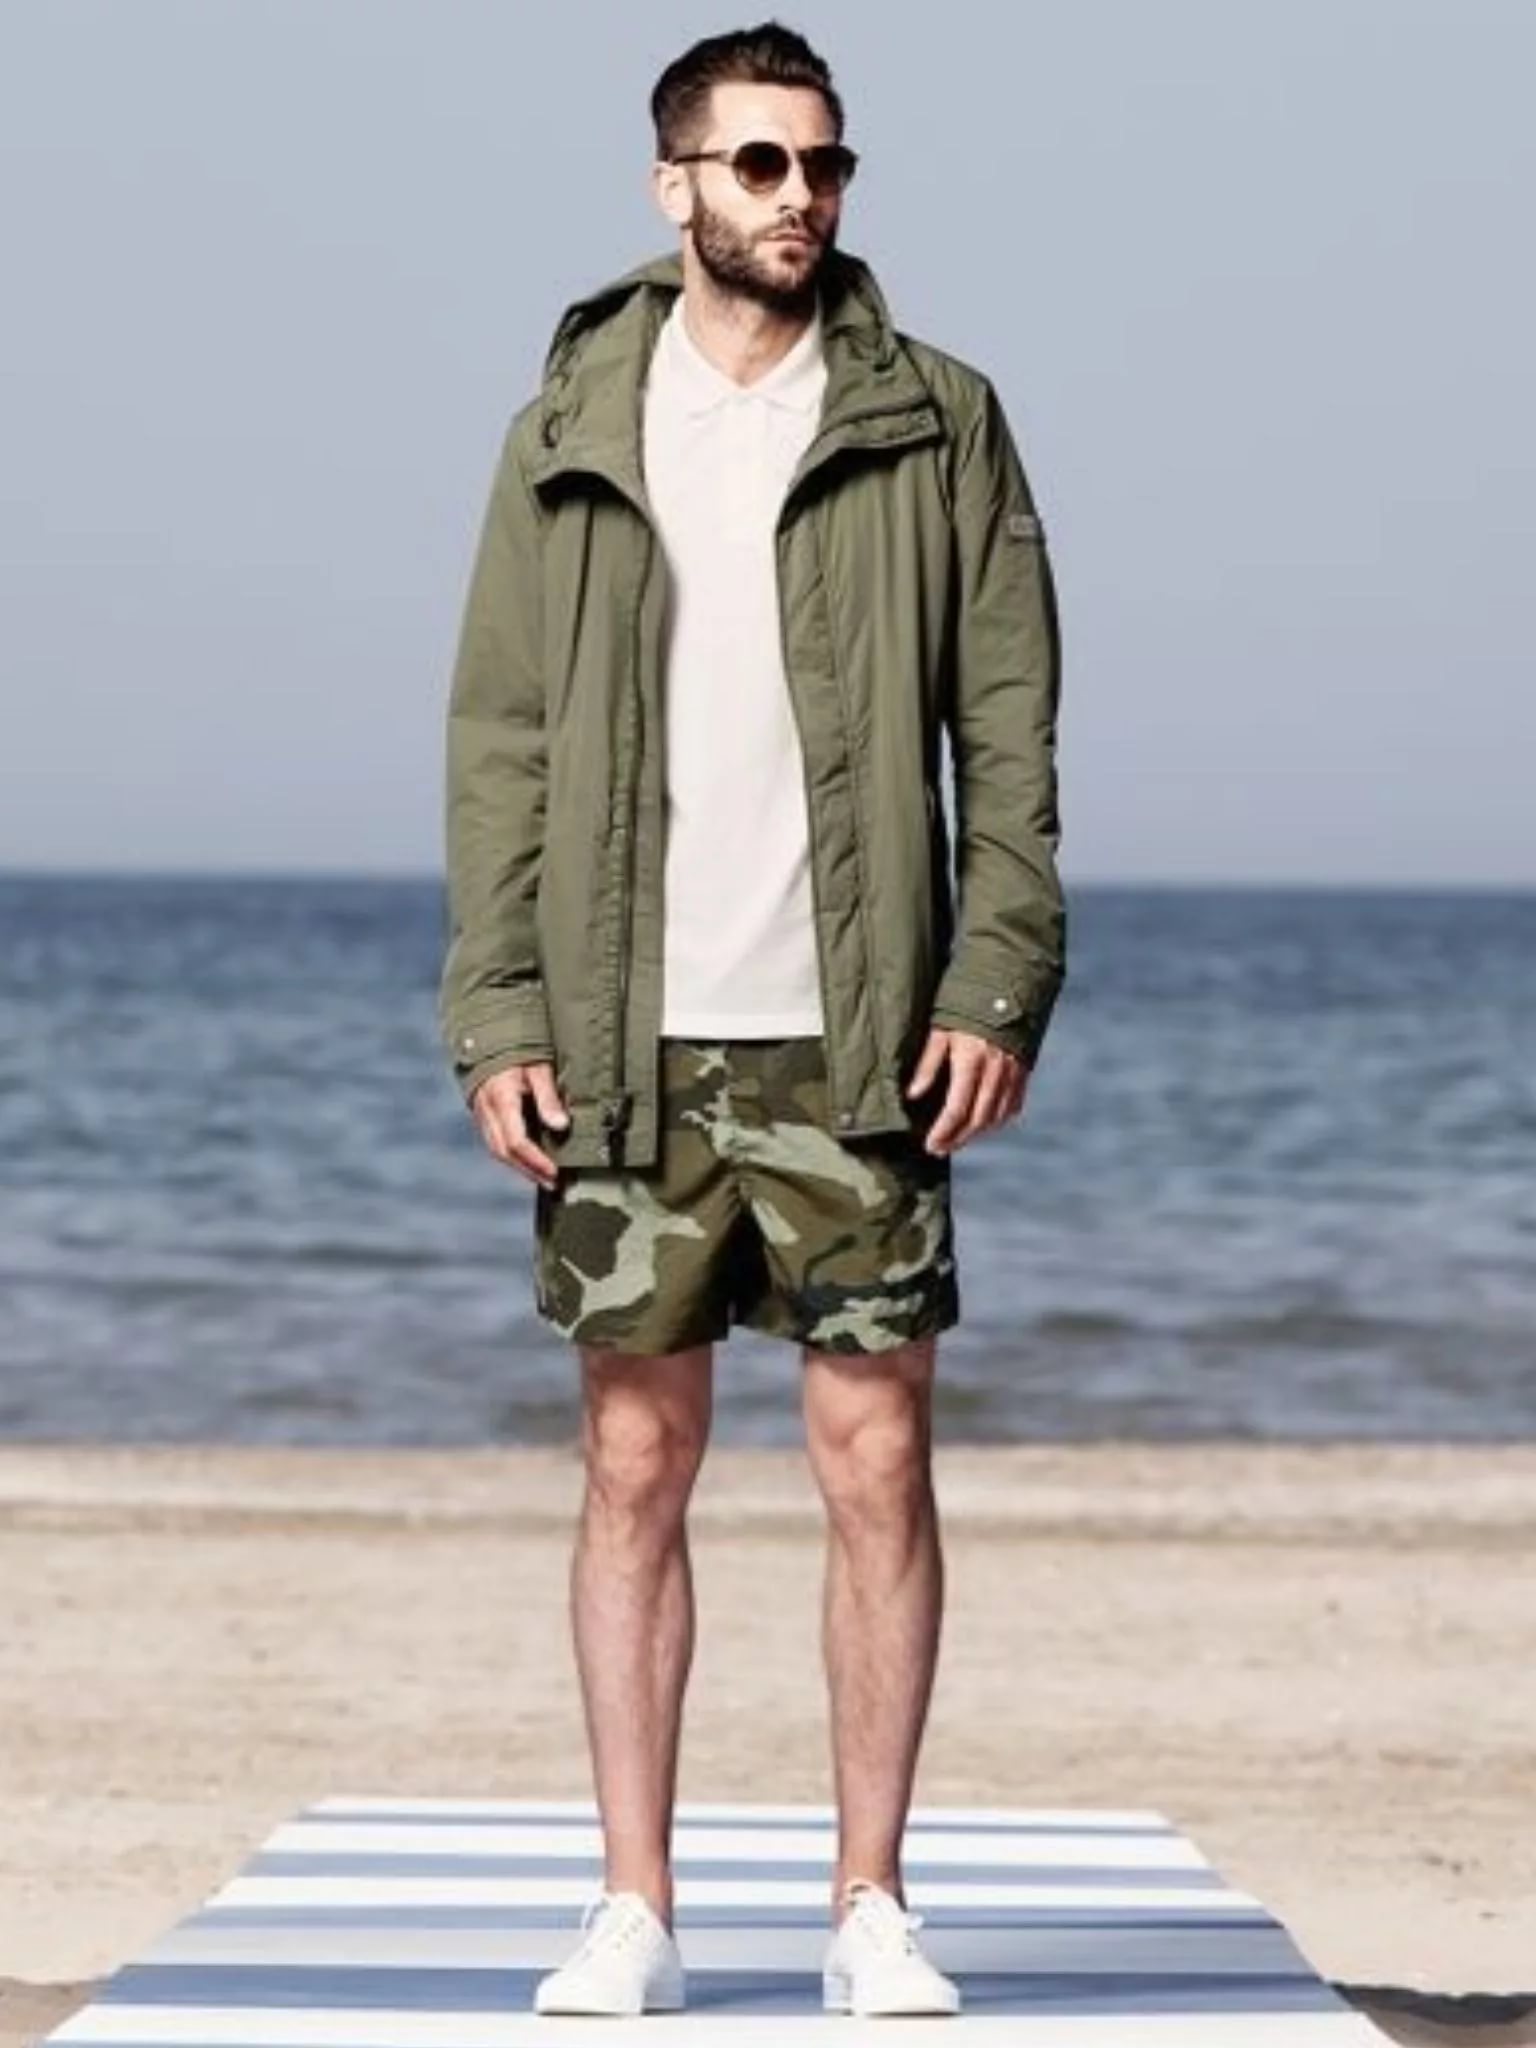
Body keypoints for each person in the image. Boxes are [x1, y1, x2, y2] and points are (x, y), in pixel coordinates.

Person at [437, 19, 1066, 2020]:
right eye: (764, 163)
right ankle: (635, 1902)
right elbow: (502, 740)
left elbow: (1011, 736)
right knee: (635, 1460)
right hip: (627, 1035)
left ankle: (871, 1899)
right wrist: (499, 1008)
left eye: (827, 164)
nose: (804, 197)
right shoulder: (570, 424)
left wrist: (997, 975)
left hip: (859, 1032)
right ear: (677, 185)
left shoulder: (939, 419)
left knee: (876, 1458)